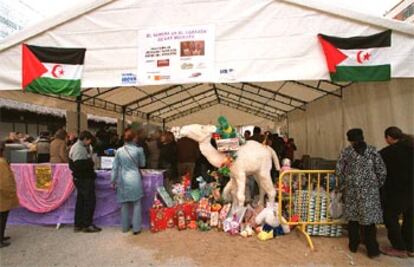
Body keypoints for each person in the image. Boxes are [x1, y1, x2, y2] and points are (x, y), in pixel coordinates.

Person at [336, 128, 386, 259]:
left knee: (353, 220)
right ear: (363, 136)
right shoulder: (373, 151)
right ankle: (372, 250)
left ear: (349, 140)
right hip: (370, 192)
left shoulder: (346, 152)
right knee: (369, 222)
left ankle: (353, 245)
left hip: (352, 192)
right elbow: (381, 171)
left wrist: (342, 187)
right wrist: (375, 186)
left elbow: (339, 172)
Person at [380, 126, 414, 258]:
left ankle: (399, 247)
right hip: (412, 191)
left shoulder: (388, 152)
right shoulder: (411, 146)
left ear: (388, 137)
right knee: (410, 218)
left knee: (389, 216)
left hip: (399, 191)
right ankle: (410, 247)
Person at [111, 128, 145, 234]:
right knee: (137, 204)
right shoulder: (139, 150)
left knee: (124, 204)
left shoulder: (119, 151)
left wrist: (113, 180)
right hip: (135, 178)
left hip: (122, 179)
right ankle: (136, 228)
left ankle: (125, 227)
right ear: (134, 138)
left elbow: (115, 167)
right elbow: (142, 164)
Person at [69, 131, 101, 233]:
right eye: (89, 140)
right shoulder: (79, 148)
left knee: (81, 201)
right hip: (83, 179)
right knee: (89, 201)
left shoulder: (80, 146)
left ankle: (78, 224)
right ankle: (87, 224)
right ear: (85, 139)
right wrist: (90, 162)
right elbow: (78, 165)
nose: (90, 142)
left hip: (81, 178)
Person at [0, 142, 19, 248]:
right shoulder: (1, 162)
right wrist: (12, 192)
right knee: (2, 217)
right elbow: (5, 182)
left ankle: (1, 236)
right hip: (2, 195)